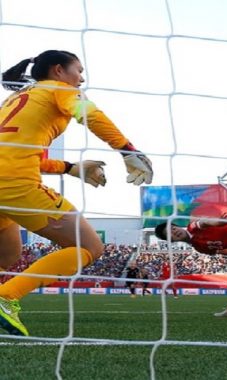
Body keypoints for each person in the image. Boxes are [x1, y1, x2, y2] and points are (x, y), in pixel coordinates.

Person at [0, 50, 154, 336]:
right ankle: (6, 298)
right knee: (90, 248)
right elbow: (90, 114)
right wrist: (127, 150)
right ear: (58, 70)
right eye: (78, 70)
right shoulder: (59, 89)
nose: (81, 77)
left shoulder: (15, 99)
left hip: (6, 183)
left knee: (7, 255)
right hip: (15, 184)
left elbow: (24, 155)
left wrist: (70, 167)